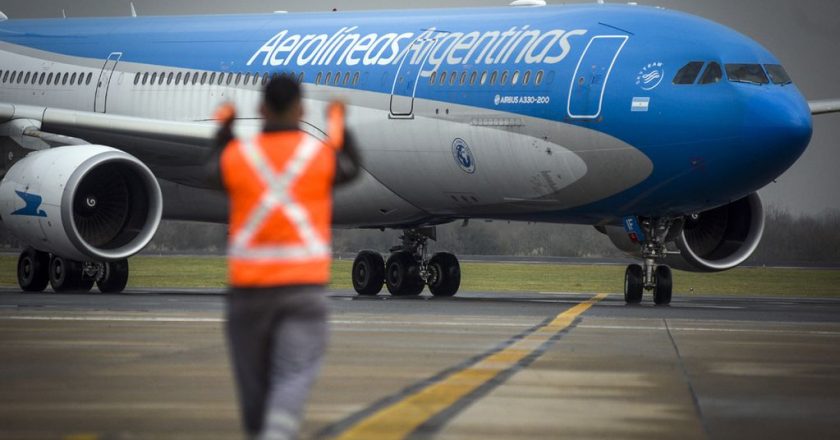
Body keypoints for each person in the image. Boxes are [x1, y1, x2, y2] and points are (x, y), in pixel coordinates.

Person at [209, 75, 361, 439]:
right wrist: (338, 121)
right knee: (292, 377)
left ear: (261, 109)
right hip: (302, 292)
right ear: (301, 109)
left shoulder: (239, 155)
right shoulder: (317, 156)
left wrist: (225, 126)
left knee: (253, 393)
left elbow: (213, 168)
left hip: (248, 295)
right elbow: (350, 164)